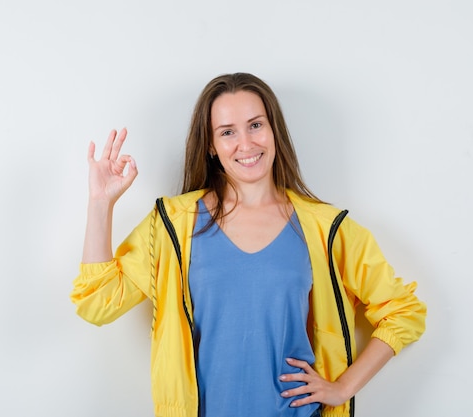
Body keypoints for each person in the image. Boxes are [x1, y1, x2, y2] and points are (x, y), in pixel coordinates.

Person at [70, 72, 426, 417]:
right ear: (211, 145)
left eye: (256, 125)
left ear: (273, 130)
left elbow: (403, 311)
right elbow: (98, 304)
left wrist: (343, 388)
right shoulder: (173, 226)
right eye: (227, 132)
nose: (246, 143)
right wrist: (101, 204)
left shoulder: (327, 229)